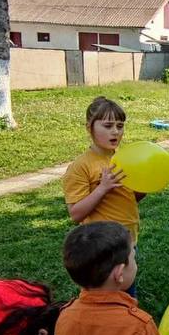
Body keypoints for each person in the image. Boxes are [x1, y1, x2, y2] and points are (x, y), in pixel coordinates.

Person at [62, 96, 145, 297]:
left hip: (127, 238)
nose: (116, 131)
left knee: (126, 290)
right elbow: (75, 214)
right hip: (101, 246)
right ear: (89, 127)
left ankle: (125, 319)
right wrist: (102, 188)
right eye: (108, 125)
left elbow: (129, 199)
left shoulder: (122, 160)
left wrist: (142, 187)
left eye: (120, 125)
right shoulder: (81, 166)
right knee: (103, 295)